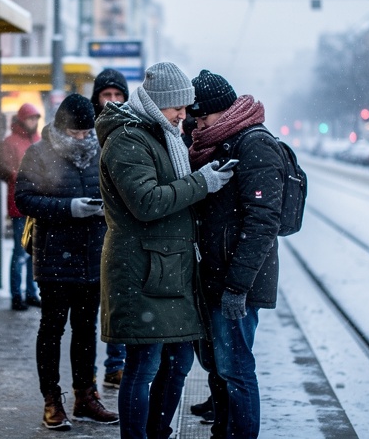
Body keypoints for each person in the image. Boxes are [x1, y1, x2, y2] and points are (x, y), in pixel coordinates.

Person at [96, 61, 234, 439]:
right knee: (144, 364)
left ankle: (157, 431)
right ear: (159, 103)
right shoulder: (128, 138)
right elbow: (146, 201)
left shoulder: (159, 134)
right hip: (141, 270)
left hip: (166, 271)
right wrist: (202, 183)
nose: (183, 117)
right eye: (179, 108)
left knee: (178, 361)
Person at [187, 70, 285, 439]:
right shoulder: (218, 142)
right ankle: (222, 431)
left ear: (220, 110)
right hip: (213, 275)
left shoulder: (253, 143)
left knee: (236, 368)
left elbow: (262, 222)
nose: (198, 124)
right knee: (218, 366)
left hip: (236, 281)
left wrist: (238, 286)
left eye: (202, 116)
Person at [16, 94, 119, 431]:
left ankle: (85, 396)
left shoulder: (99, 151)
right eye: (75, 133)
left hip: (92, 256)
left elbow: (115, 192)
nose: (81, 138)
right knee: (52, 330)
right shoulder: (39, 153)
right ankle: (52, 400)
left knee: (86, 330)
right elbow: (24, 199)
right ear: (61, 127)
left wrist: (104, 208)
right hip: (54, 260)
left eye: (85, 132)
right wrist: (70, 208)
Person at [90, 68, 131, 390]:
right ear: (97, 97)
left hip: (116, 229)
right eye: (107, 95)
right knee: (89, 309)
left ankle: (115, 365)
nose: (113, 101)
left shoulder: (130, 131)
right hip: (88, 232)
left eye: (118, 95)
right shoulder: (85, 129)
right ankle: (89, 373)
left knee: (116, 302)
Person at [0, 103, 42, 311]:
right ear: (22, 119)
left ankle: (31, 293)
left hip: (37, 205)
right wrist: (25, 177)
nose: (33, 122)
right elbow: (7, 170)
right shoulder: (10, 142)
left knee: (33, 252)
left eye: (35, 118)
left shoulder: (38, 139)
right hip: (20, 206)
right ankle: (17, 295)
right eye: (30, 118)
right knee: (20, 252)